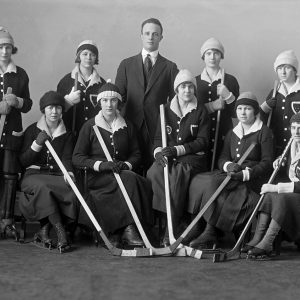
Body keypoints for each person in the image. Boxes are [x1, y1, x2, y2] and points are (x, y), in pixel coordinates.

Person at [188, 92, 274, 249]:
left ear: (255, 111)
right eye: (240, 108)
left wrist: (247, 173)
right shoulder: (232, 132)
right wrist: (228, 165)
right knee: (202, 181)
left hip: (253, 179)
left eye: (247, 108)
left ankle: (211, 232)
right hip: (232, 174)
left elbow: (267, 163)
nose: (242, 112)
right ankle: (199, 226)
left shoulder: (264, 132)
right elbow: (222, 158)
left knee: (227, 193)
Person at [72, 82, 153, 248]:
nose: (109, 104)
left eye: (113, 100)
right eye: (105, 100)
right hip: (98, 177)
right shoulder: (90, 126)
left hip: (121, 172)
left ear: (119, 103)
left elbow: (137, 154)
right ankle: (130, 229)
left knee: (134, 180)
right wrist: (102, 165)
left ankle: (122, 230)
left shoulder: (128, 126)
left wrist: (126, 165)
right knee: (130, 180)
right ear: (99, 103)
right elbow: (77, 158)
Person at [147, 69, 210, 245]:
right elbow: (158, 139)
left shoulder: (201, 110)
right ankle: (176, 219)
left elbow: (203, 141)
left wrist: (177, 150)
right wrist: (158, 152)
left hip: (192, 159)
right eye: (183, 86)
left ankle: (170, 229)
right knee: (154, 173)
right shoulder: (165, 110)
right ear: (177, 90)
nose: (187, 90)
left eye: (190, 86)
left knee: (177, 177)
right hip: (169, 156)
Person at [115, 18, 178, 170]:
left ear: (161, 38)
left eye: (155, 34)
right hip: (130, 125)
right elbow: (118, 98)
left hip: (157, 128)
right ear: (141, 36)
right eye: (147, 33)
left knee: (153, 170)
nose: (151, 37)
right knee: (130, 168)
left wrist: (166, 125)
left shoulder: (170, 67)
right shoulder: (126, 64)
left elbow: (175, 101)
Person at [18, 91, 77, 252]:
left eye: (58, 108)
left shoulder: (67, 134)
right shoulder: (32, 130)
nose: (54, 112)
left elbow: (66, 159)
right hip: (33, 176)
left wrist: (68, 173)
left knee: (71, 192)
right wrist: (36, 144)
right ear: (43, 110)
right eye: (50, 108)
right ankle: (60, 231)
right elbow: (23, 161)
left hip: (57, 175)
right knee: (44, 188)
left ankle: (43, 231)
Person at [244, 113, 300, 258]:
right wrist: (280, 160)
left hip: (297, 194)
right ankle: (258, 237)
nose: (296, 132)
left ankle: (268, 242)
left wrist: (277, 187)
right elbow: (292, 168)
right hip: (294, 193)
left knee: (281, 198)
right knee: (269, 195)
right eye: (293, 128)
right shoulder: (293, 144)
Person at [0, 27, 32, 239]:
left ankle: (7, 222)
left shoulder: (20, 74)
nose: (4, 51)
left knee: (10, 177)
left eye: (8, 47)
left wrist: (17, 101)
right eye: (1, 47)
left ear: (13, 49)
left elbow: (28, 104)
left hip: (11, 136)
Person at [196, 37, 239, 169]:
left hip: (224, 131)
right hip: (202, 132)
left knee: (222, 164)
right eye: (208, 53)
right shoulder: (195, 82)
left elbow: (236, 114)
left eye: (216, 53)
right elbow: (192, 113)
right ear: (203, 56)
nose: (212, 57)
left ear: (221, 56)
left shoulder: (230, 80)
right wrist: (212, 106)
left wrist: (228, 96)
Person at [57, 40, 106, 136]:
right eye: (85, 54)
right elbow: (54, 111)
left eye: (92, 54)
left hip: (94, 136)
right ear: (79, 56)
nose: (88, 57)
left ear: (96, 58)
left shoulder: (102, 84)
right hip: (70, 134)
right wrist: (68, 101)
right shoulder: (66, 81)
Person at [260, 50, 300, 156]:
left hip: (297, 144)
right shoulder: (274, 92)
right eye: (279, 68)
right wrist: (264, 108)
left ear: (295, 70)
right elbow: (262, 120)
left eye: (287, 67)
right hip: (277, 144)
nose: (283, 72)